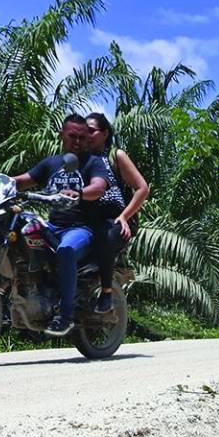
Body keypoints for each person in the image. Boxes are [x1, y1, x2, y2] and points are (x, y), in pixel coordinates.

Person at [12, 116, 125, 335]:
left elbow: (98, 187)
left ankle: (65, 315)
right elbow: (22, 180)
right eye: (72, 136)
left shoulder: (94, 162)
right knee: (17, 229)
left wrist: (79, 193)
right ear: (61, 135)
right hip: (53, 226)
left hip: (81, 229)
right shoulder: (51, 163)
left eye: (83, 137)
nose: (77, 141)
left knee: (66, 249)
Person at [84, 112, 150, 315]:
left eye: (91, 131)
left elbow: (142, 188)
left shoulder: (116, 156)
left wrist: (124, 216)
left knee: (106, 234)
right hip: (88, 220)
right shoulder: (81, 159)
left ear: (104, 133)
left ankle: (106, 292)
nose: (86, 135)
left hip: (116, 221)